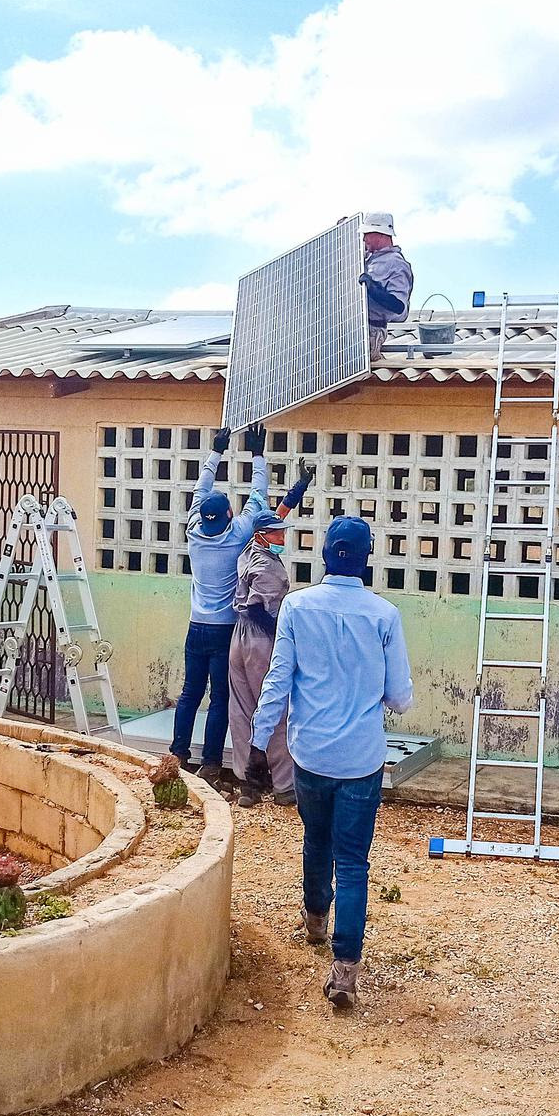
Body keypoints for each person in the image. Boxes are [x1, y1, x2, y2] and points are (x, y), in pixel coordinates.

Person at [248, 515, 413, 1008]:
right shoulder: (384, 616)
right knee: (354, 861)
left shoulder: (297, 607)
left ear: (323, 555)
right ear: (367, 559)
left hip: (311, 752)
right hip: (361, 759)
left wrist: (258, 745)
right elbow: (401, 698)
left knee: (315, 836)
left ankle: (315, 919)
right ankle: (344, 970)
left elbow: (278, 679)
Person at [173, 422, 276, 785]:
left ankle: (178, 754)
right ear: (229, 515)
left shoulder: (192, 532)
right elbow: (259, 497)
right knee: (220, 698)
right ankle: (212, 763)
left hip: (195, 626)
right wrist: (258, 454)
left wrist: (216, 449)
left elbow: (199, 490)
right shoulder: (237, 536)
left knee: (189, 692)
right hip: (224, 630)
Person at [227, 461, 315, 808]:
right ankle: (283, 785)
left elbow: (278, 513)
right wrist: (286, 637)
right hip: (261, 638)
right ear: (264, 536)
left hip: (238, 639)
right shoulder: (267, 568)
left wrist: (299, 487)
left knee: (243, 707)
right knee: (276, 708)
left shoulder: (248, 548)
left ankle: (247, 783)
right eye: (277, 534)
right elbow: (258, 610)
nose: (283, 537)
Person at [358, 212, 412, 362]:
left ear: (381, 235)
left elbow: (399, 306)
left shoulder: (396, 264)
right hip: (353, 328)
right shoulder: (367, 256)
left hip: (371, 332)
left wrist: (374, 289)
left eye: (367, 234)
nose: (364, 238)